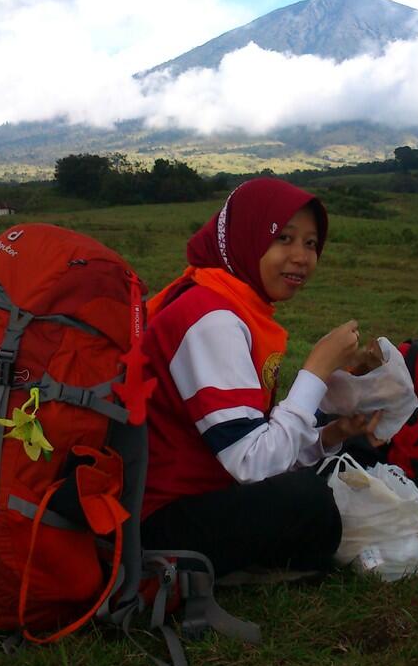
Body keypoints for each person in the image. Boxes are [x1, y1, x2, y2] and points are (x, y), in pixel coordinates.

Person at [139, 177, 376, 578]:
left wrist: (331, 435)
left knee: (356, 457)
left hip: (206, 486)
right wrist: (316, 368)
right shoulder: (210, 318)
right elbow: (252, 463)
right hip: (161, 519)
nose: (301, 257)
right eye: (283, 238)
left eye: (311, 243)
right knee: (310, 503)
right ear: (245, 236)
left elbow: (253, 440)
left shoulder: (225, 301)